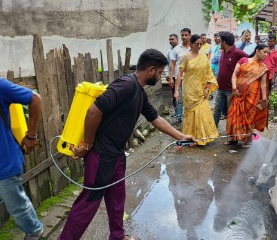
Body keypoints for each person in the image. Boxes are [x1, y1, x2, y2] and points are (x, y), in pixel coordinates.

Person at [58, 49, 195, 240]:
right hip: (101, 154)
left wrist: (181, 136)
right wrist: (87, 146)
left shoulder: (138, 91)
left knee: (116, 198)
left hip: (116, 154)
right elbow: (92, 112)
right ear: (151, 70)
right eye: (161, 72)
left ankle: (118, 236)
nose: (161, 76)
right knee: (88, 203)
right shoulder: (126, 85)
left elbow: (155, 118)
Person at [0, 75, 43, 240]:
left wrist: (32, 135)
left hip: (3, 165)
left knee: (18, 209)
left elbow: (35, 99)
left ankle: (34, 232)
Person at [174, 34, 219, 145]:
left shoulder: (203, 56)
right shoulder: (186, 57)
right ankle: (190, 137)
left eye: (200, 44)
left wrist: (208, 88)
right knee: (191, 112)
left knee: (203, 111)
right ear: (191, 44)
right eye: (196, 44)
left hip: (201, 89)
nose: (199, 46)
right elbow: (179, 74)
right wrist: (176, 91)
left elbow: (209, 73)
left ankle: (202, 137)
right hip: (189, 89)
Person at [225, 44, 270, 147]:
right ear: (257, 50)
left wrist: (264, 98)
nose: (266, 55)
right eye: (264, 52)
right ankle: (233, 138)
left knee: (250, 117)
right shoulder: (243, 60)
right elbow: (234, 75)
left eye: (267, 53)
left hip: (253, 96)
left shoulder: (263, 67)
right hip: (238, 94)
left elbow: (263, 83)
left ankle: (248, 140)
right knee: (234, 115)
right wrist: (234, 88)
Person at [212, 31, 248, 127]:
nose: (219, 42)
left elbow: (249, 61)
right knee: (217, 109)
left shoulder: (238, 52)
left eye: (220, 41)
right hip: (220, 87)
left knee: (231, 112)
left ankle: (231, 134)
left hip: (231, 89)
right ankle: (212, 129)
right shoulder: (223, 51)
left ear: (224, 42)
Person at [169, 28, 191, 126]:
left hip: (191, 78)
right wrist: (170, 77)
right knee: (178, 97)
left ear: (190, 35)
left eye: (186, 35)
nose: (184, 37)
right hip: (179, 78)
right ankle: (178, 117)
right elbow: (172, 64)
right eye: (182, 35)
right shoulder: (176, 49)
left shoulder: (194, 48)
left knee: (190, 98)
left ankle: (190, 117)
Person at [165, 33, 179, 112]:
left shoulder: (181, 49)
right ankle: (176, 111)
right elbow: (167, 63)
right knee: (174, 94)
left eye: (172, 39)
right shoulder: (169, 51)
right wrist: (167, 74)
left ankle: (181, 111)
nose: (171, 41)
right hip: (172, 76)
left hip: (181, 76)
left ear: (177, 40)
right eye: (170, 40)